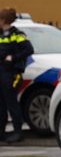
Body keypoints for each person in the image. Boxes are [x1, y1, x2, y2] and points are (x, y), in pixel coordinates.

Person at [0, 8, 35, 143]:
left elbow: (28, 49)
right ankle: (1, 133)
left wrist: (13, 58)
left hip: (11, 74)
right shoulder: (1, 34)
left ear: (3, 21)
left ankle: (18, 132)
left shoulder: (16, 34)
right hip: (1, 72)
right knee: (1, 105)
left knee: (11, 103)